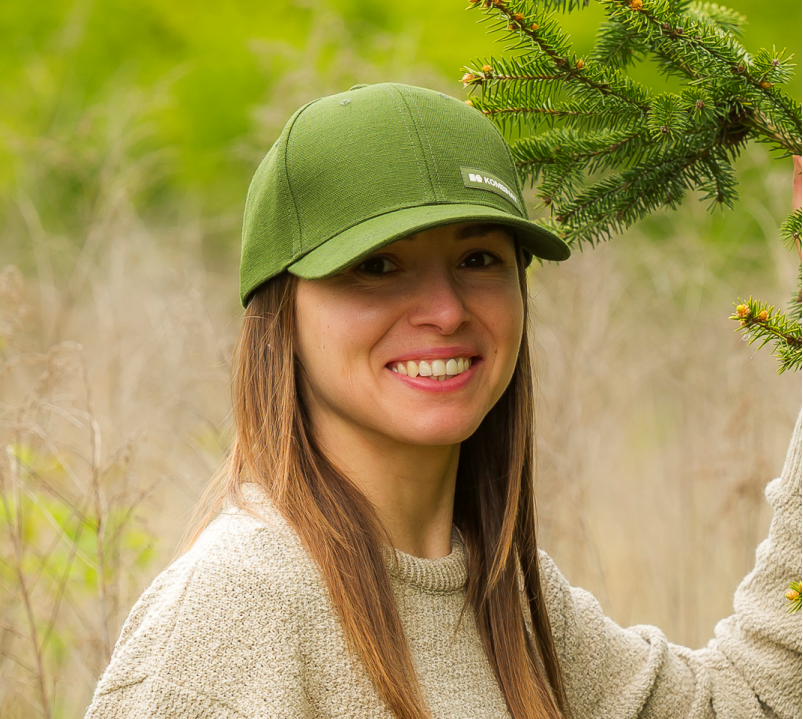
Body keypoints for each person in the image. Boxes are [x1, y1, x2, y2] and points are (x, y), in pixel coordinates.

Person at [83, 83, 801, 719]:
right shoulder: (235, 611)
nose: (445, 309)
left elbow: (755, 704)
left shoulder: (509, 600)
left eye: (478, 259)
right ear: (281, 314)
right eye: (377, 266)